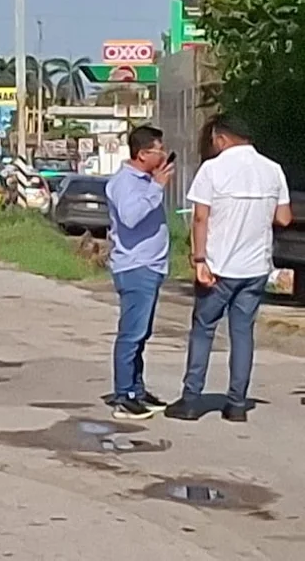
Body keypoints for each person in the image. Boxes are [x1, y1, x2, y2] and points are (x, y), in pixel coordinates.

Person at [165, 115, 293, 423]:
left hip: (218, 267)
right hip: (255, 267)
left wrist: (198, 259)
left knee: (203, 331)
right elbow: (284, 218)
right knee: (242, 334)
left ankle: (192, 399)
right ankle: (237, 404)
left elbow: (200, 218)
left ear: (221, 138)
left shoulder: (212, 169)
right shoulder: (272, 170)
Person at [103, 125, 173, 419]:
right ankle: (124, 395)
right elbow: (130, 218)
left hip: (151, 266)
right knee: (131, 334)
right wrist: (156, 187)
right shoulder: (125, 183)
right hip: (135, 267)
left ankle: (137, 388)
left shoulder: (144, 180)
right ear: (143, 153)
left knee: (141, 334)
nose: (164, 155)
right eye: (159, 150)